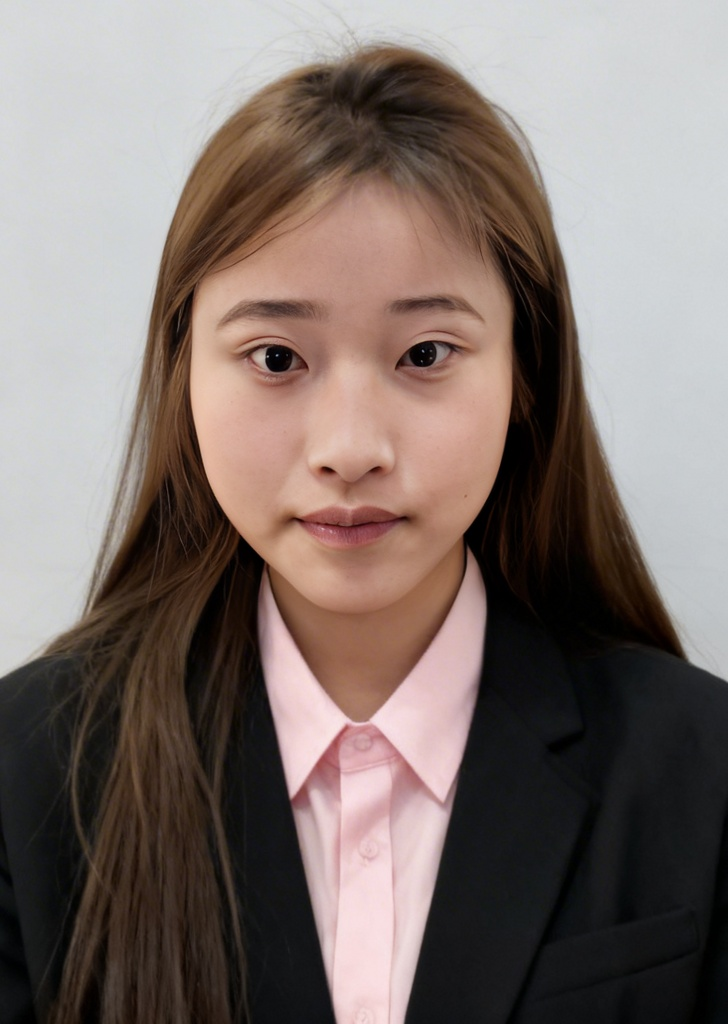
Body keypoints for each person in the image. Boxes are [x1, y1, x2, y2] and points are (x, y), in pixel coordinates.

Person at [0, 42, 726, 1024]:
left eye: (425, 353)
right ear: (183, 376)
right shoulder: (28, 772)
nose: (349, 449)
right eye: (275, 358)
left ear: (526, 374)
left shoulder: (698, 769)